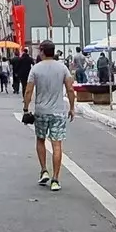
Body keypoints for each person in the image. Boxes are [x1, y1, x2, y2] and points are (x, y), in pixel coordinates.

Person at [24, 40, 76, 190]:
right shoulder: (63, 68)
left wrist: (26, 108)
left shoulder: (36, 69)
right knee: (57, 144)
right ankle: (55, 179)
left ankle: (43, 170)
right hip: (59, 112)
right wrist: (72, 108)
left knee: (40, 140)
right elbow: (70, 89)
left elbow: (28, 91)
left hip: (41, 111)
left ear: (41, 51)